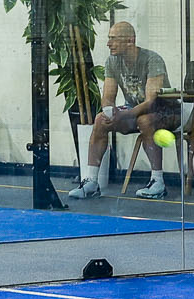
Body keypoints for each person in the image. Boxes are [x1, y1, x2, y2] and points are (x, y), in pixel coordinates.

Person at [68, 21, 181, 201]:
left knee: (145, 120)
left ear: (130, 40)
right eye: (109, 39)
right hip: (134, 111)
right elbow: (108, 96)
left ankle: (157, 182)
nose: (108, 43)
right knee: (99, 120)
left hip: (167, 111)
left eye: (113, 39)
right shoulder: (112, 61)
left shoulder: (152, 59)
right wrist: (109, 113)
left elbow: (151, 101)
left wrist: (125, 115)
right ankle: (91, 182)